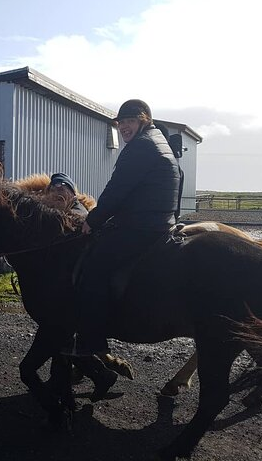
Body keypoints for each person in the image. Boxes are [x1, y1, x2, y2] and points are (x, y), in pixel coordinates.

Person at [70, 99, 180, 383]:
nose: (123, 127)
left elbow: (116, 190)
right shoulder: (159, 141)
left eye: (129, 121)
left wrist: (91, 221)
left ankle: (89, 342)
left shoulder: (141, 147)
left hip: (140, 227)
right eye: (120, 123)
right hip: (157, 224)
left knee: (94, 268)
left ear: (144, 119)